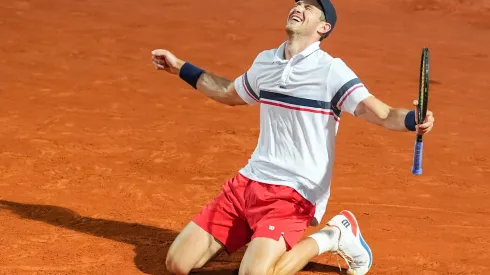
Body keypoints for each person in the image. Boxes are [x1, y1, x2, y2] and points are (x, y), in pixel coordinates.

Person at [151, 0, 435, 274]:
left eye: (309, 6)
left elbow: (382, 113)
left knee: (254, 274)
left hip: (295, 192)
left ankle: (332, 236)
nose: (298, 7)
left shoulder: (331, 71)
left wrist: (413, 120)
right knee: (177, 263)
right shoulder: (266, 62)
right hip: (249, 182)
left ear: (323, 27)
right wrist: (180, 67)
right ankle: (260, 235)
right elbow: (228, 93)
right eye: (297, 3)